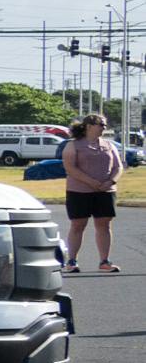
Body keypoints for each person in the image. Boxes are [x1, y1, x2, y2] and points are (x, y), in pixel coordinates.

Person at [66, 114, 125, 273]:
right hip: (79, 191)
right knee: (78, 224)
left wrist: (110, 182)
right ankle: (71, 261)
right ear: (89, 126)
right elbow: (71, 168)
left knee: (104, 225)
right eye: (101, 124)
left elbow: (118, 167)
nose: (104, 128)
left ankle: (104, 262)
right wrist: (91, 182)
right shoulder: (73, 145)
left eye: (105, 125)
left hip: (105, 191)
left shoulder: (109, 145)